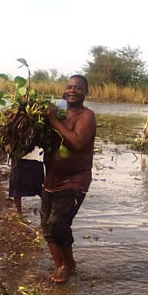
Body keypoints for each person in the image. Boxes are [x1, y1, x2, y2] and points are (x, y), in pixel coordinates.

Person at [41, 75, 96, 283]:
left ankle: (68, 264)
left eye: (78, 88)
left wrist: (54, 121)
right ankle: (60, 264)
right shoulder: (59, 110)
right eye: (69, 87)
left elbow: (77, 143)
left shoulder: (87, 116)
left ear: (85, 92)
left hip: (75, 178)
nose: (72, 91)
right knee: (46, 226)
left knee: (58, 224)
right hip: (52, 177)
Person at [8, 147, 44, 216]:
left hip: (28, 156)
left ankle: (18, 211)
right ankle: (46, 209)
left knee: (17, 184)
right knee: (39, 185)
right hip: (31, 157)